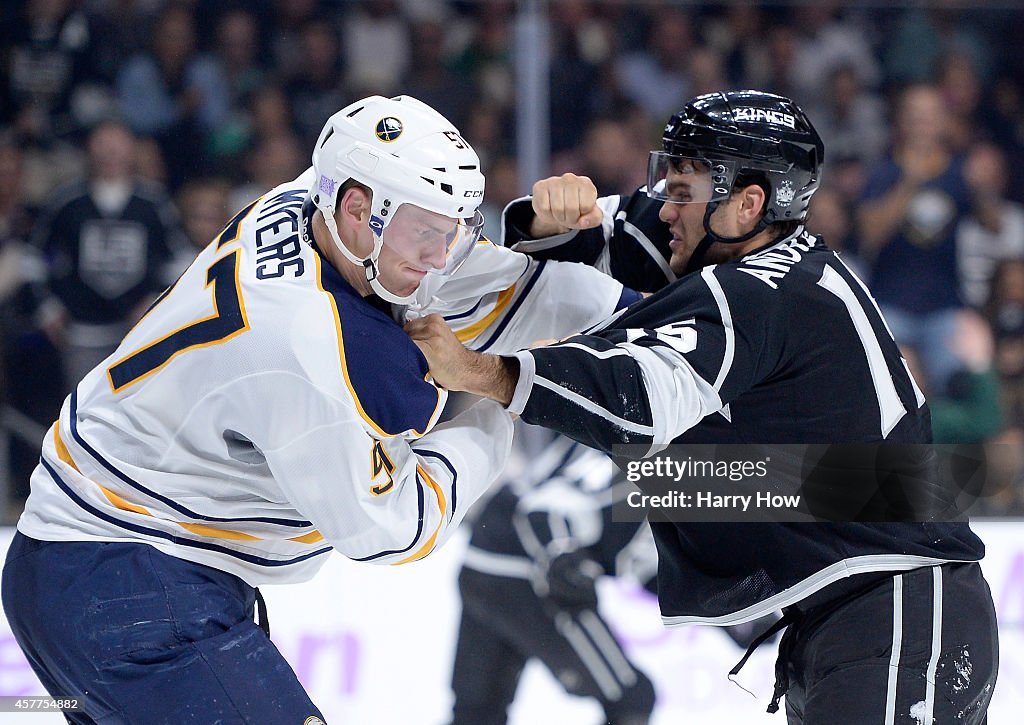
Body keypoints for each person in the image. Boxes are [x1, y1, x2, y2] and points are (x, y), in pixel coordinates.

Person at [2, 94, 631, 723]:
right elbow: (394, 527)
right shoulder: (304, 345)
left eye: (454, 228)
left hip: (97, 569)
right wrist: (497, 392)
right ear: (357, 207)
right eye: (426, 232)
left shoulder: (315, 199)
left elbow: (480, 285)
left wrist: (617, 273)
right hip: (131, 584)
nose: (442, 256)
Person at [406, 90, 999, 724]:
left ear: (748, 204)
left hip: (899, 613)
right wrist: (546, 222)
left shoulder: (763, 294)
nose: (666, 208)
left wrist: (478, 370)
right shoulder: (754, 259)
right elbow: (617, 232)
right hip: (864, 614)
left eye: (683, 192)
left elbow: (636, 402)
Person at [451, 429, 657, 725]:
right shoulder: (648, 472)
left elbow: (648, 566)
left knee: (478, 711)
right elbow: (544, 511)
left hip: (484, 561)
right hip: (527, 576)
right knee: (629, 698)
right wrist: (563, 557)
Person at [31, 118, 186, 392]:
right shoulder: (66, 202)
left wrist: (157, 301)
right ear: (89, 148)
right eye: (103, 142)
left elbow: (181, 260)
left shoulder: (153, 204)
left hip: (140, 332)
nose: (111, 151)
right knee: (82, 409)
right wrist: (47, 307)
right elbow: (33, 259)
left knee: (138, 408)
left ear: (133, 149)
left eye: (119, 142)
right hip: (81, 331)